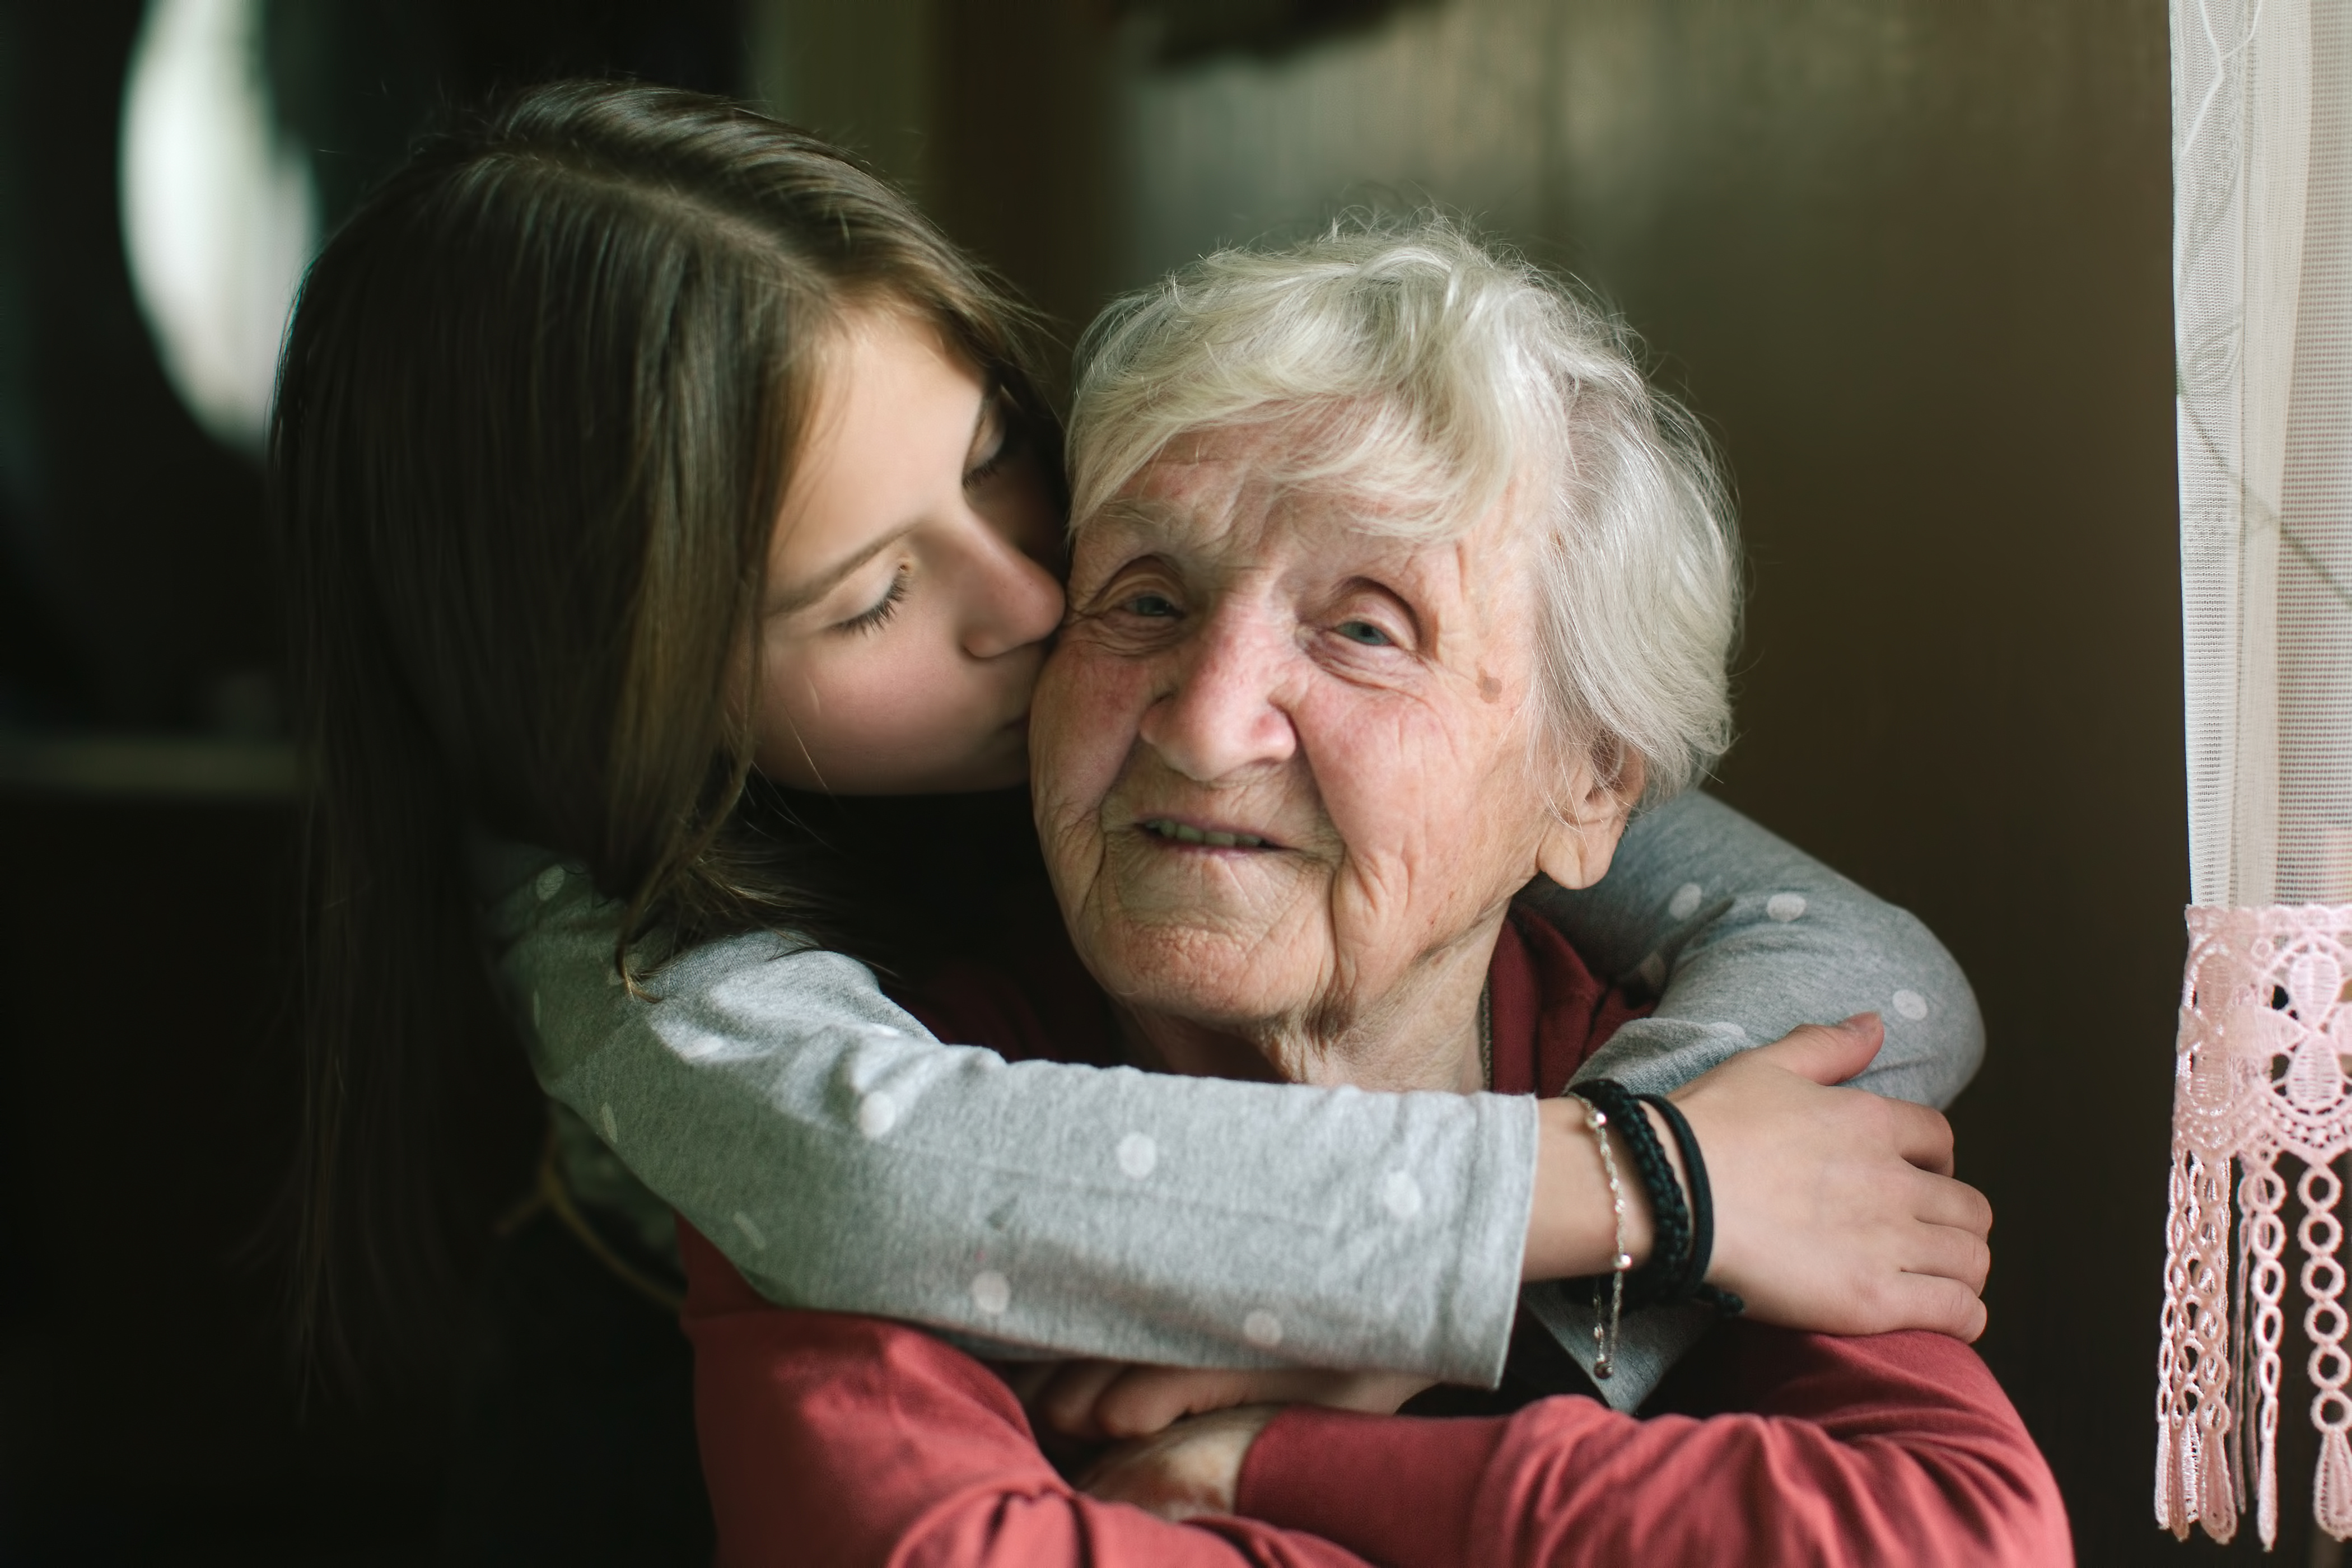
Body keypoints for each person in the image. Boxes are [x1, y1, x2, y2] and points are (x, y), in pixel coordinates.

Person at [271, 82, 1991, 1555]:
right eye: (871, 598)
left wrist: (1440, 1337)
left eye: (994, 459)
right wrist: (1638, 1194)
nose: (1038, 598)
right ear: (631, 706)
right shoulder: (655, 961)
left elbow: (1874, 980)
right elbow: (874, 1185)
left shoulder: (1512, 837)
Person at [679, 218, 2066, 1565]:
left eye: (1362, 628)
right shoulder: (894, 1105)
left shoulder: (1714, 1095)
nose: (1206, 724)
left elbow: (1964, 1540)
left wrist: (1271, 1462)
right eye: (1147, 598)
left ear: (1589, 785)